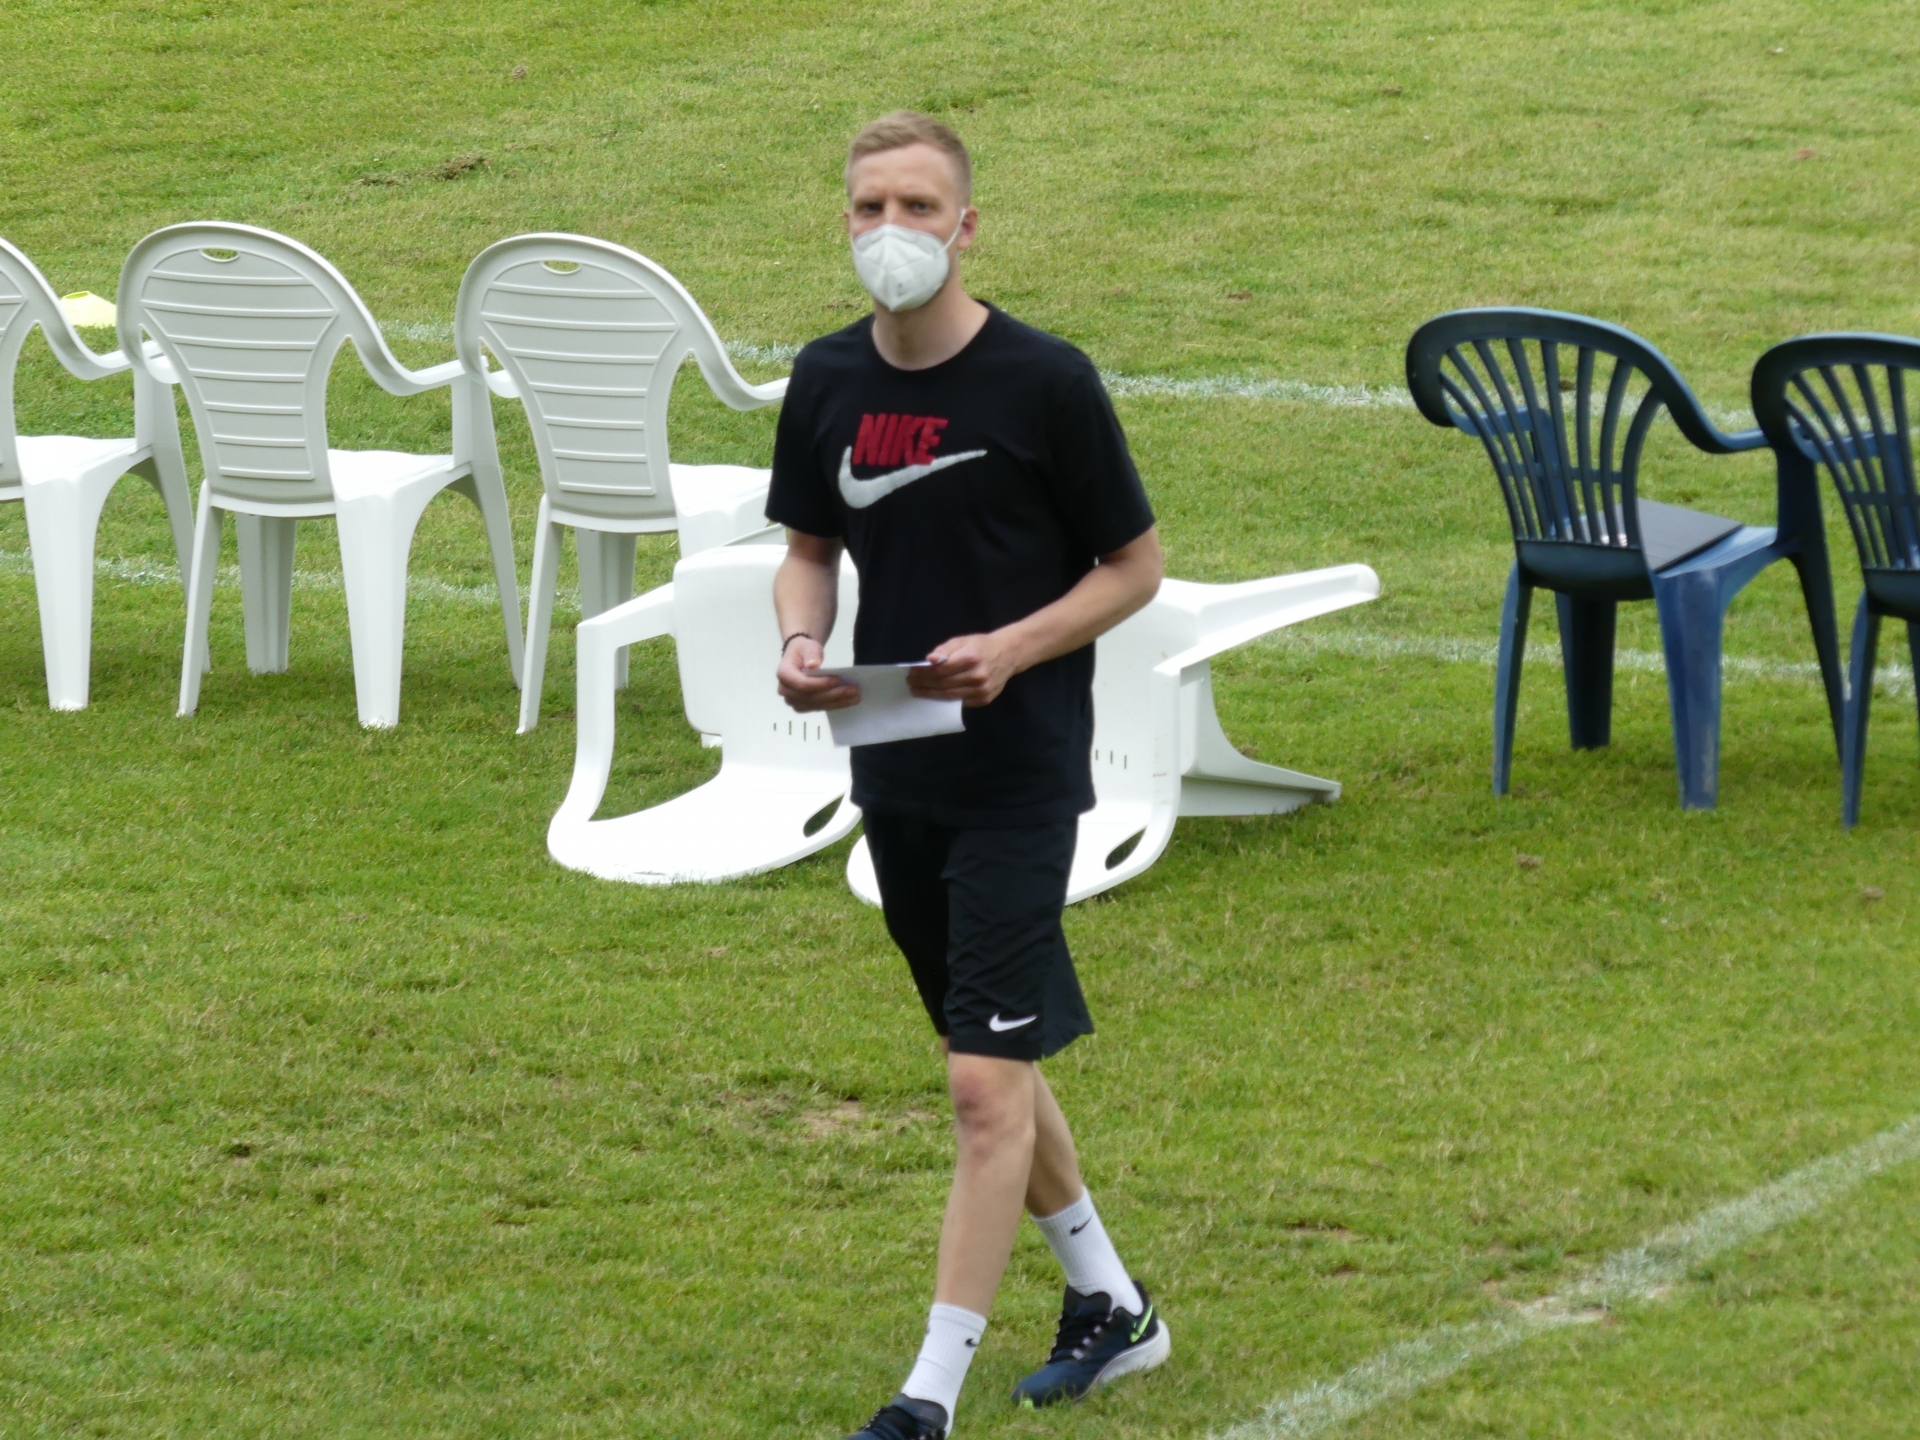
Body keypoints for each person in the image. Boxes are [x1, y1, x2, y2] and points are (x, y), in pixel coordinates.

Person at [766, 111, 1169, 1440]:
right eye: (870, 206)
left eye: (919, 207)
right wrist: (801, 642)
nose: (892, 231)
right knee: (989, 1054)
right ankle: (1112, 1305)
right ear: (844, 222)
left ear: (968, 227)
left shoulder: (1045, 382)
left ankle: (926, 1397)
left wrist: (1012, 648)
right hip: (893, 765)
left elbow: (1132, 569)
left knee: (980, 1086)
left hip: (1019, 774)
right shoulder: (827, 377)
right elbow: (808, 550)